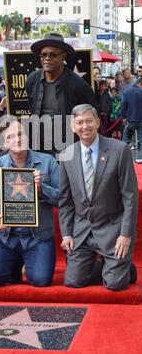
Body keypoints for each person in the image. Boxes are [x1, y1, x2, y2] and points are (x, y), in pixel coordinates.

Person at [59, 104, 138, 291]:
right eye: (79, 122)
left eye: (89, 121)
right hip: (83, 231)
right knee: (73, 281)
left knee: (115, 284)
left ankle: (122, 268)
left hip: (112, 228)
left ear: (97, 122)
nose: (85, 126)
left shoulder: (119, 150)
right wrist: (67, 233)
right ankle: (109, 266)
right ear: (73, 127)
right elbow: (65, 201)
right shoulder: (66, 155)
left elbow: (130, 196)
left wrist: (126, 235)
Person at [0, 118, 59, 287]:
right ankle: (15, 264)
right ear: (4, 142)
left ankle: (24, 263)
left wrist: (41, 189)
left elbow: (63, 198)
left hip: (37, 236)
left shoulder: (48, 162)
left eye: (20, 134)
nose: (17, 140)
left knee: (41, 280)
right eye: (10, 137)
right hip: (6, 237)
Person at [26, 32, 95, 155]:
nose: (47, 58)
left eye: (52, 55)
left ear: (63, 57)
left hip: (68, 149)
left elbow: (92, 118)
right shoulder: (32, 79)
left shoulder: (78, 85)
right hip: (39, 148)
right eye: (43, 55)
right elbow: (32, 109)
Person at [121, 76, 142, 150]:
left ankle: (123, 155)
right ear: (140, 84)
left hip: (130, 119)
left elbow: (123, 104)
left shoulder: (126, 92)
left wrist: (123, 117)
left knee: (125, 137)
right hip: (140, 120)